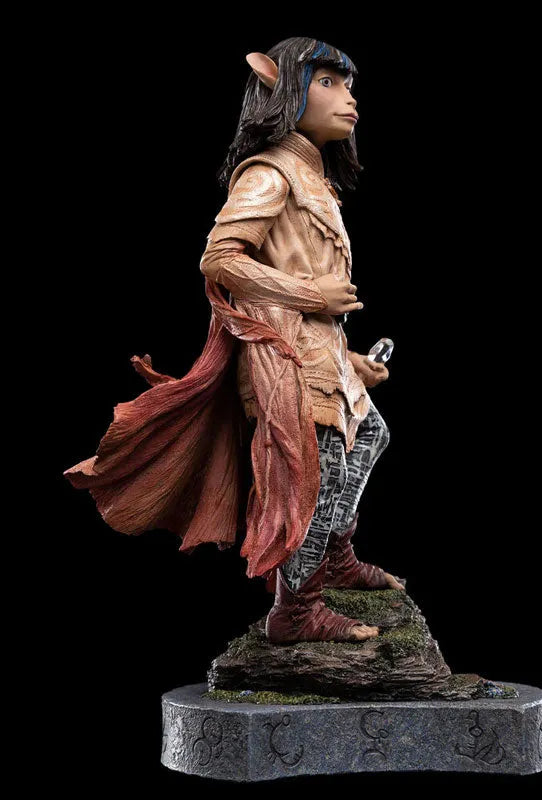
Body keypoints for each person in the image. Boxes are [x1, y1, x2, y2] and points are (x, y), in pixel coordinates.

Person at [64, 36, 403, 646]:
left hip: (317, 354)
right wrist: (311, 294)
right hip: (283, 359)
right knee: (319, 473)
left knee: (370, 436)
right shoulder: (271, 173)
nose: (349, 98)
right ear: (284, 89)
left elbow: (306, 292)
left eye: (349, 85)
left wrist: (350, 358)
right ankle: (296, 609)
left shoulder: (312, 175)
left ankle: (335, 557)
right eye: (328, 83)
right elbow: (220, 259)